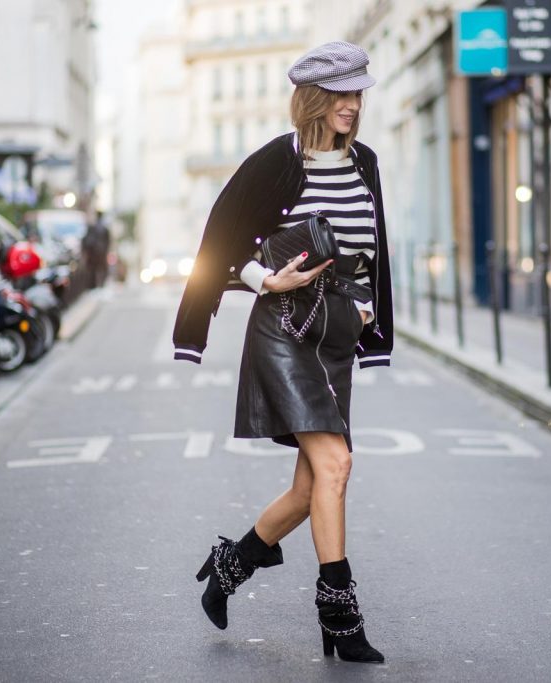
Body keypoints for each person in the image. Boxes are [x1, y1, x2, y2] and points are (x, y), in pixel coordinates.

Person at [172, 41, 392, 663]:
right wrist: (263, 280)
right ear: (314, 99)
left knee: (310, 484)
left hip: (338, 334)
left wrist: (371, 308)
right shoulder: (279, 159)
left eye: (358, 93)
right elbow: (223, 235)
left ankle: (231, 564)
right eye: (341, 94)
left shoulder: (365, 161)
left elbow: (372, 243)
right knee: (337, 466)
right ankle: (340, 618)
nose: (352, 105)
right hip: (287, 326)